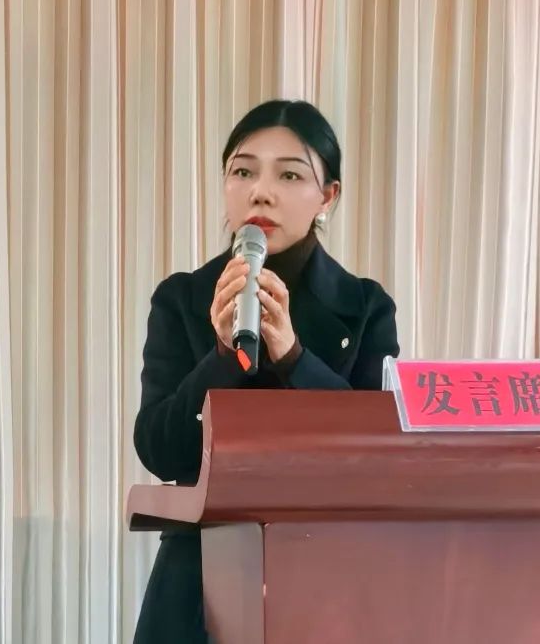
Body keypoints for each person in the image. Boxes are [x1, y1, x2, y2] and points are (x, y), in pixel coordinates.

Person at [131, 100, 401, 643]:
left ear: (328, 196)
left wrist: (296, 358)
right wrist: (222, 357)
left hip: (328, 577)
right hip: (198, 578)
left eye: (290, 175)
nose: (261, 192)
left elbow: (375, 454)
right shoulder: (181, 298)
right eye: (243, 172)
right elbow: (160, 450)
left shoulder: (365, 306)